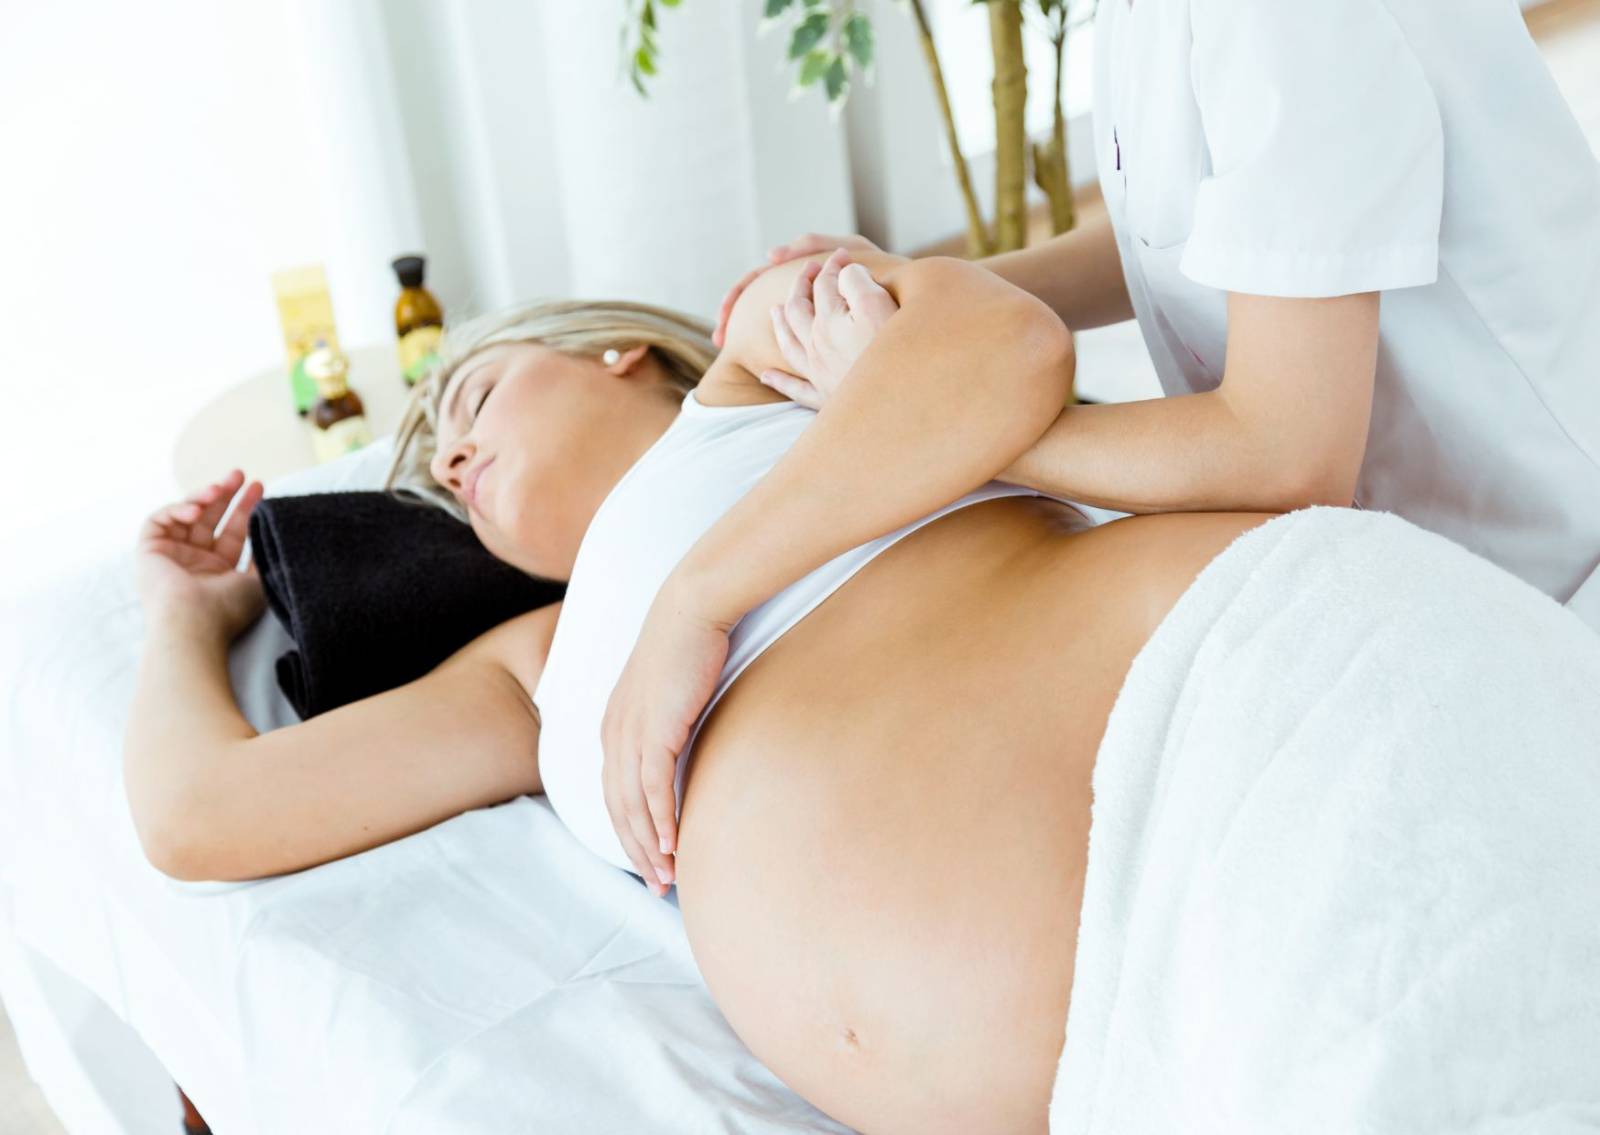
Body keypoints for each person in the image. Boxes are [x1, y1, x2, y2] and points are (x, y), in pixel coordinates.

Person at [124, 249, 1599, 1135]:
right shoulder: (540, 675)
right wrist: (183, 618)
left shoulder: (763, 371)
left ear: (612, 352)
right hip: (1138, 1055)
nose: (451, 459)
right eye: (440, 480)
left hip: (1265, 717)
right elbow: (203, 813)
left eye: (473, 398)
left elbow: (1004, 343)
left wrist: (703, 598)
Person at [716, 0, 1600, 635]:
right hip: (1417, 560)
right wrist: (925, 291)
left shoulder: (1283, 18)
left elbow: (1287, 454)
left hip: (1550, 574)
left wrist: (947, 420)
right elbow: (1198, 230)